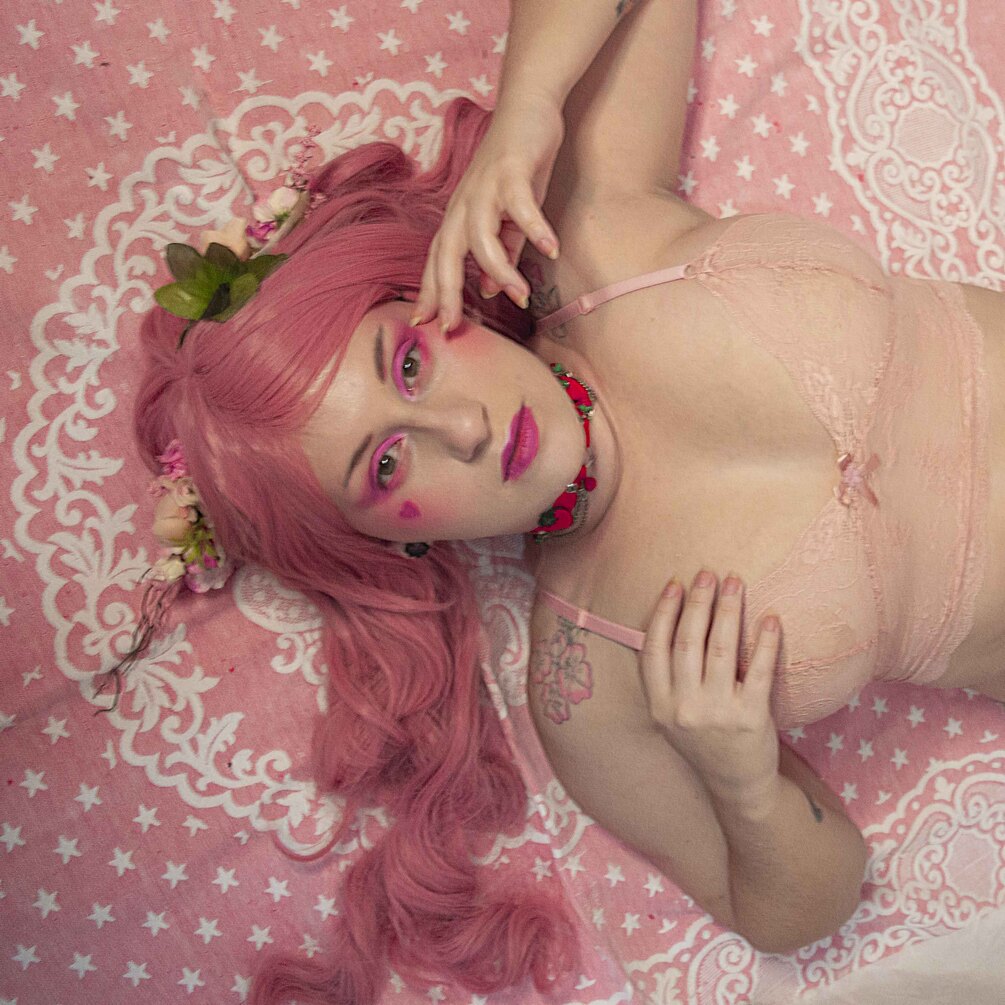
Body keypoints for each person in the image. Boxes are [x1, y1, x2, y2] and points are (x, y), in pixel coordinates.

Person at [126, 0, 1005, 1002]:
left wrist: (529, 106)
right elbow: (800, 913)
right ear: (388, 545)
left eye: (408, 363)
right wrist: (744, 780)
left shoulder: (594, 234)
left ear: (424, 297)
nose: (462, 428)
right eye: (387, 467)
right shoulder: (588, 685)